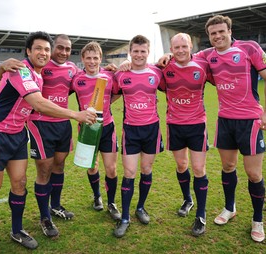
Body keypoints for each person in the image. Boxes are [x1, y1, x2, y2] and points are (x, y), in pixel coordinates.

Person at [0, 31, 96, 254]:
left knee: (19, 184)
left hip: (17, 135)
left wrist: (0, 68)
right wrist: (76, 115)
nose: (43, 53)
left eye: (47, 49)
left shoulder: (37, 75)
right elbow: (37, 102)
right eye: (38, 48)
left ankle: (17, 230)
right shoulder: (22, 69)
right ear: (28, 51)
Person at [196, 15, 266, 243]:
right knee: (228, 166)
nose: (218, 36)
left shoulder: (249, 48)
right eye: (213, 33)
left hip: (250, 121)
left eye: (221, 31)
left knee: (253, 173)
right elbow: (184, 58)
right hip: (225, 121)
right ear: (209, 36)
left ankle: (257, 220)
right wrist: (165, 57)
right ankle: (230, 207)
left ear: (230, 31)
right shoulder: (207, 55)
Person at [0, 34, 80, 238]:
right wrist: (2, 65)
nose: (63, 52)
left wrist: (119, 66)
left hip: (63, 124)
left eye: (67, 49)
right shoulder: (38, 65)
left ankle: (56, 206)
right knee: (44, 170)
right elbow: (8, 77)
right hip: (41, 124)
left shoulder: (72, 69)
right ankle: (45, 217)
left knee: (59, 166)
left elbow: (91, 73)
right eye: (59, 47)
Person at [159, 33, 213, 236]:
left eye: (184, 46)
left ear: (191, 46)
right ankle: (188, 200)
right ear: (171, 49)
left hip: (197, 124)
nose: (180, 50)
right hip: (175, 124)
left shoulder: (203, 65)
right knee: (182, 165)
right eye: (176, 47)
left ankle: (201, 214)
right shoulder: (165, 68)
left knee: (199, 168)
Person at [112, 35, 164, 238]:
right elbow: (113, 93)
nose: (139, 55)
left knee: (146, 169)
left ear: (148, 53)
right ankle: (125, 217)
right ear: (130, 52)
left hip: (152, 129)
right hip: (131, 130)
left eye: (143, 51)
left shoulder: (157, 73)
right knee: (130, 172)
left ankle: (140, 208)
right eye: (135, 51)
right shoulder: (121, 75)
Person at [71, 41, 121, 220]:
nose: (92, 62)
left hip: (107, 127)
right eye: (88, 58)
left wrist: (103, 106)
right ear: (82, 59)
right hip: (86, 130)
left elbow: (118, 92)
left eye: (96, 58)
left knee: (111, 168)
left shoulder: (109, 76)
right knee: (92, 166)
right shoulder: (76, 79)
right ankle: (97, 196)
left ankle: (112, 203)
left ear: (101, 59)